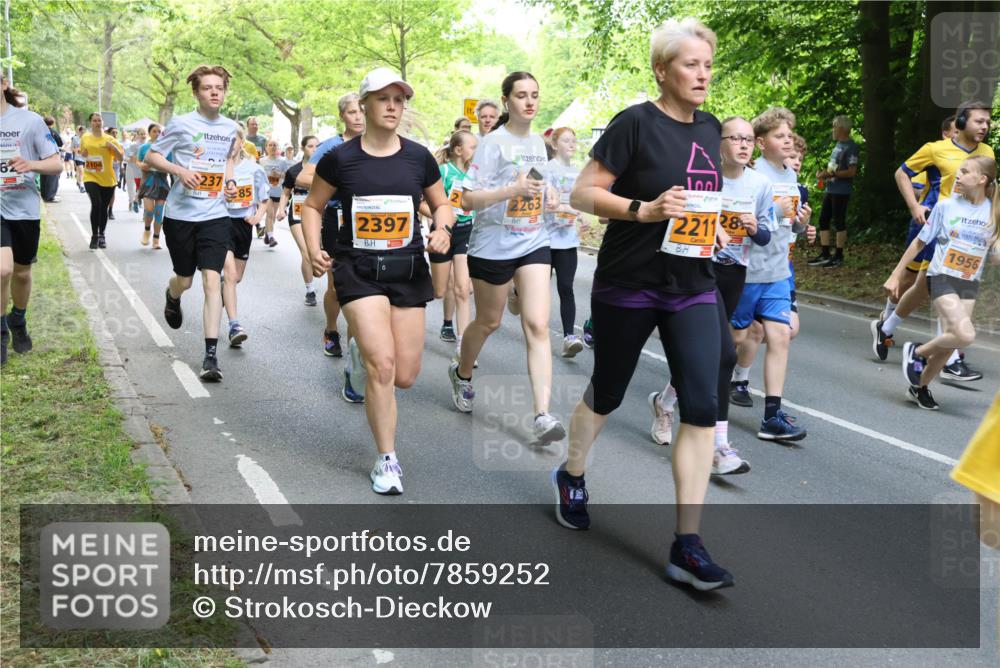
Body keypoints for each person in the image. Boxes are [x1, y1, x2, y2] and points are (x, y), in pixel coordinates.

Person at [554, 19, 739, 591]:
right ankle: (572, 474)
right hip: (630, 280)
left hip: (693, 283)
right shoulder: (634, 122)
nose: (703, 74)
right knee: (608, 391)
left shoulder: (710, 128)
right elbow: (582, 193)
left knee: (702, 405)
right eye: (690, 64)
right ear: (662, 70)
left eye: (707, 65)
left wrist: (715, 225)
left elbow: (700, 198)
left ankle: (688, 543)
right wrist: (645, 210)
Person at [301, 67, 453, 495]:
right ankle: (387, 460)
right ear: (364, 104)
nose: (392, 106)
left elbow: (442, 205)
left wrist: (442, 228)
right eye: (383, 99)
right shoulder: (340, 159)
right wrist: (312, 249)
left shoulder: (419, 157)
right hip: (358, 269)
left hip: (407, 270)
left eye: (398, 100)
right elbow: (312, 206)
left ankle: (359, 352)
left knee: (405, 375)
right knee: (383, 367)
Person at [447, 71, 566, 444]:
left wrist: (549, 195)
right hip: (492, 245)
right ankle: (462, 372)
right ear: (506, 101)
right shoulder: (492, 144)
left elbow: (539, 183)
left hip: (533, 240)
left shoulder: (538, 143)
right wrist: (510, 191)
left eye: (535, 95)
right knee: (489, 321)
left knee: (538, 325)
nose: (529, 102)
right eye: (521, 95)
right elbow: (467, 199)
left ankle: (542, 415)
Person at [652, 115, 774, 476]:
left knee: (712, 353)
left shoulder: (760, 184)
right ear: (718, 144)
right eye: (735, 138)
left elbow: (766, 234)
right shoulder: (703, 177)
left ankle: (666, 401)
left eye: (748, 139)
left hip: (734, 273)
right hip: (697, 271)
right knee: (722, 355)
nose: (743, 145)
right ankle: (719, 444)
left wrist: (754, 229)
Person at [872, 100, 993, 382]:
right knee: (933, 284)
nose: (985, 127)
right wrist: (914, 206)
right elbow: (902, 173)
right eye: (979, 121)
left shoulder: (987, 152)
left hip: (967, 235)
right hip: (940, 227)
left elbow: (988, 190)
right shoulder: (935, 149)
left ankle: (887, 328)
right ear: (961, 122)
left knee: (924, 286)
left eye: (988, 122)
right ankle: (947, 358)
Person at [144, 64, 239, 381]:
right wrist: (179, 171)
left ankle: (210, 357)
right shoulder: (182, 123)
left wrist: (229, 182)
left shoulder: (230, 127)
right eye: (208, 88)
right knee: (185, 280)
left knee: (213, 280)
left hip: (215, 214)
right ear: (197, 92)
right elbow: (152, 156)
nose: (214, 92)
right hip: (181, 215)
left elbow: (227, 160)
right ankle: (173, 296)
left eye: (219, 88)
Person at [884, 155, 1000, 409]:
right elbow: (920, 242)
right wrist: (896, 274)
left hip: (969, 283)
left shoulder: (994, 211)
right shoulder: (946, 206)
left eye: (965, 171)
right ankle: (917, 352)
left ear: (982, 179)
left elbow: (995, 256)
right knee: (965, 334)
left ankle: (919, 386)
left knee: (953, 340)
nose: (957, 175)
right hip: (941, 276)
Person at [729, 107, 814, 441]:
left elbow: (788, 227)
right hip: (748, 271)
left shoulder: (790, 176)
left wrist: (801, 223)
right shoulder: (752, 176)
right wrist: (775, 212)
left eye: (790, 135)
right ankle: (677, 389)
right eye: (780, 136)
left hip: (778, 272)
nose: (788, 141)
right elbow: (747, 224)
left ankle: (772, 417)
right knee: (733, 340)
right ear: (761, 143)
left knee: (780, 335)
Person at [296, 92, 366, 366]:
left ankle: (357, 351)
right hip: (337, 219)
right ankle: (331, 329)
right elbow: (303, 177)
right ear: (342, 116)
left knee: (363, 285)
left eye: (361, 111)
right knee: (337, 287)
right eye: (352, 112)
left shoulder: (376, 143)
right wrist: (340, 182)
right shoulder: (331, 147)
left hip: (367, 220)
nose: (358, 117)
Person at [0, 75, 62, 366]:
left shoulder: (30, 121)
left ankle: (18, 319)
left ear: (3, 84)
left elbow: (56, 163)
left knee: (22, 273)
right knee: (3, 270)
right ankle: (1, 333)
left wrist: (30, 164)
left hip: (24, 208)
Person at [424, 130, 477, 351]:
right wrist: (442, 218)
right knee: (439, 290)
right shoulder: (443, 171)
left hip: (466, 231)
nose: (477, 151)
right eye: (473, 147)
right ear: (458, 150)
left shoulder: (476, 174)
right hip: (443, 232)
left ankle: (463, 345)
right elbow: (421, 202)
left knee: (462, 289)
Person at [222, 127, 270, 347]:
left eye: (234, 140)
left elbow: (264, 198)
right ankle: (234, 325)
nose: (231, 144)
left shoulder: (254, 169)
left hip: (243, 224)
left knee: (236, 277)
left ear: (242, 143)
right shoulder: (217, 167)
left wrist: (258, 216)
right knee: (231, 275)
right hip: (221, 222)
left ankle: (221, 288)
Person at [543, 127, 587, 357]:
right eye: (566, 140)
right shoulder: (545, 169)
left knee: (566, 288)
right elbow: (539, 203)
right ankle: (517, 292)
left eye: (574, 140)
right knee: (539, 290)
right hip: (543, 240)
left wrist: (583, 215)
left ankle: (569, 337)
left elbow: (581, 202)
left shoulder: (579, 173)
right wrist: (572, 211)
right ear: (554, 144)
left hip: (567, 240)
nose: (571, 144)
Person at [808, 115, 858, 267]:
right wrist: (824, 174)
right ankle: (825, 253)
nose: (833, 130)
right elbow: (833, 168)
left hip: (841, 191)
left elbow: (851, 171)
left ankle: (838, 256)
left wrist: (831, 174)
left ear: (842, 128)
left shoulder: (851, 146)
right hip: (830, 188)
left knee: (839, 221)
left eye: (834, 126)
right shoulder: (838, 145)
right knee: (823, 219)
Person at [276, 135, 321, 305]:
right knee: (306, 252)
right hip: (297, 214)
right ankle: (310, 291)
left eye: (317, 146)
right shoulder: (293, 171)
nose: (314, 149)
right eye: (310, 146)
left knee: (318, 252)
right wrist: (281, 209)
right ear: (303, 148)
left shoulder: (325, 170)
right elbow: (285, 193)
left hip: (319, 215)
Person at [79, 113, 123, 249]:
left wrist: (113, 148)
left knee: (103, 207)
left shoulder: (110, 139)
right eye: (94, 120)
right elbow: (83, 152)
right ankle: (94, 236)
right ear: (90, 123)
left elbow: (120, 158)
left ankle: (102, 235)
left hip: (107, 178)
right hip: (90, 176)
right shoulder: (85, 137)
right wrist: (84, 154)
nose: (97, 123)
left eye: (99, 120)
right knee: (96, 203)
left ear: (103, 122)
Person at [136, 123, 169, 249]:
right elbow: (138, 161)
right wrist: (142, 166)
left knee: (159, 212)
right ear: (149, 133)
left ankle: (156, 239)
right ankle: (146, 230)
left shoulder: (166, 147)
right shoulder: (144, 147)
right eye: (154, 131)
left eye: (159, 131)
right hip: (148, 182)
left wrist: (164, 167)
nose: (157, 133)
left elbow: (171, 163)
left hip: (162, 182)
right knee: (149, 210)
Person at [258, 139, 289, 247]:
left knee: (273, 216)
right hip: (266, 192)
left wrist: (279, 174)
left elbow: (288, 176)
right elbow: (257, 175)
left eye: (275, 145)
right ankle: (271, 237)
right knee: (270, 214)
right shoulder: (262, 161)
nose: (272, 147)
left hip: (278, 191)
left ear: (278, 147)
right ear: (266, 147)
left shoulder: (282, 161)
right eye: (270, 145)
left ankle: (268, 233)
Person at [39, 116, 63, 203]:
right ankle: (50, 196)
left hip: (42, 156)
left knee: (44, 176)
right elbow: (60, 142)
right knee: (52, 176)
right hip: (52, 156)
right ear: (52, 123)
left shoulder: (39, 132)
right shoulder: (53, 132)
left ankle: (44, 195)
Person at [124, 127, 146, 214]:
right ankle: (131, 201)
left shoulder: (149, 145)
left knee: (142, 187)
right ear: (137, 135)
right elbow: (125, 157)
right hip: (131, 168)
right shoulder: (133, 145)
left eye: (144, 134)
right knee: (130, 186)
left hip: (142, 169)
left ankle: (137, 201)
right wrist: (132, 159)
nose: (143, 136)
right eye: (141, 134)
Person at [72, 126, 85, 193]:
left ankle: (79, 182)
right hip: (78, 157)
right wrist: (76, 150)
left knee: (83, 172)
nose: (83, 133)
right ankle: (82, 186)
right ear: (79, 132)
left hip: (86, 158)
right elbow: (72, 148)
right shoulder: (75, 138)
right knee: (81, 171)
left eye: (84, 132)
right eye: (81, 132)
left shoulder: (87, 139)